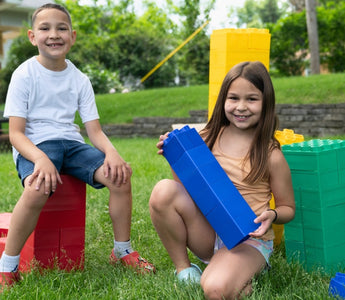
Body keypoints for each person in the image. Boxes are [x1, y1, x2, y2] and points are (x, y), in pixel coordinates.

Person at [0, 3, 155, 290]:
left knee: (120, 177)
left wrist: (112, 153)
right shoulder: (24, 75)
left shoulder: (79, 79)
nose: (54, 34)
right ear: (33, 37)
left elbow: (93, 130)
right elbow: (16, 134)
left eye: (61, 28)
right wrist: (41, 159)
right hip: (34, 145)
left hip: (72, 145)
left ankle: (122, 250)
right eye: (45, 28)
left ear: (73, 36)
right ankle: (7, 266)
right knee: (36, 189)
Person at [149, 61, 295, 300]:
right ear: (223, 100)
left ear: (266, 102)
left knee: (215, 290)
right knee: (164, 190)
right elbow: (187, 189)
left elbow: (288, 207)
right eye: (233, 98)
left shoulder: (271, 154)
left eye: (251, 99)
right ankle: (184, 270)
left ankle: (236, 275)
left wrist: (273, 215)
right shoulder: (207, 137)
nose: (241, 107)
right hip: (209, 231)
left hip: (249, 241)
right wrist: (176, 156)